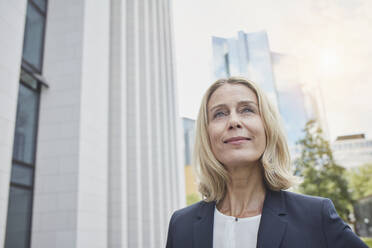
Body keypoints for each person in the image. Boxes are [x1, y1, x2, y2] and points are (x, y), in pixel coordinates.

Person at [166, 77, 368, 248]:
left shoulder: (316, 215)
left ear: (267, 127)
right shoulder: (181, 224)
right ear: (206, 133)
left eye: (247, 110)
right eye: (220, 113)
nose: (234, 121)